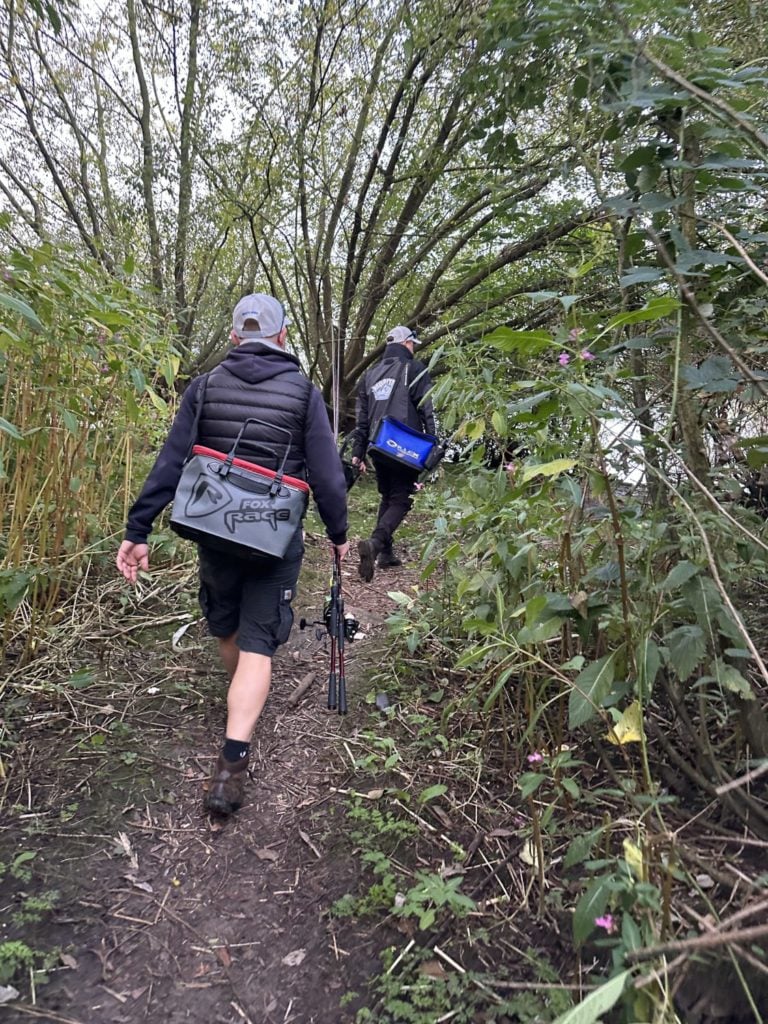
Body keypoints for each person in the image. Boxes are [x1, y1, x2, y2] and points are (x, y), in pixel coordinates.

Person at [116, 294, 349, 816]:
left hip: (214, 530)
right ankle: (231, 763)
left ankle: (240, 692)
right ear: (284, 337)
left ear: (234, 336)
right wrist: (338, 532)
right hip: (274, 535)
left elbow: (172, 460)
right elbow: (328, 476)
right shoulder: (305, 393)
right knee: (259, 641)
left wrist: (139, 528)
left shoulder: (205, 386)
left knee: (226, 625)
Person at [351, 325, 435, 582]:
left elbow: (361, 421)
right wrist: (435, 445)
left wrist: (358, 452)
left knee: (387, 495)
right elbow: (427, 409)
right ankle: (376, 543)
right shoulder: (415, 369)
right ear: (407, 343)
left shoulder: (369, 375)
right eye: (413, 344)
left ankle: (385, 553)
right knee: (401, 499)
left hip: (378, 445)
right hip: (406, 445)